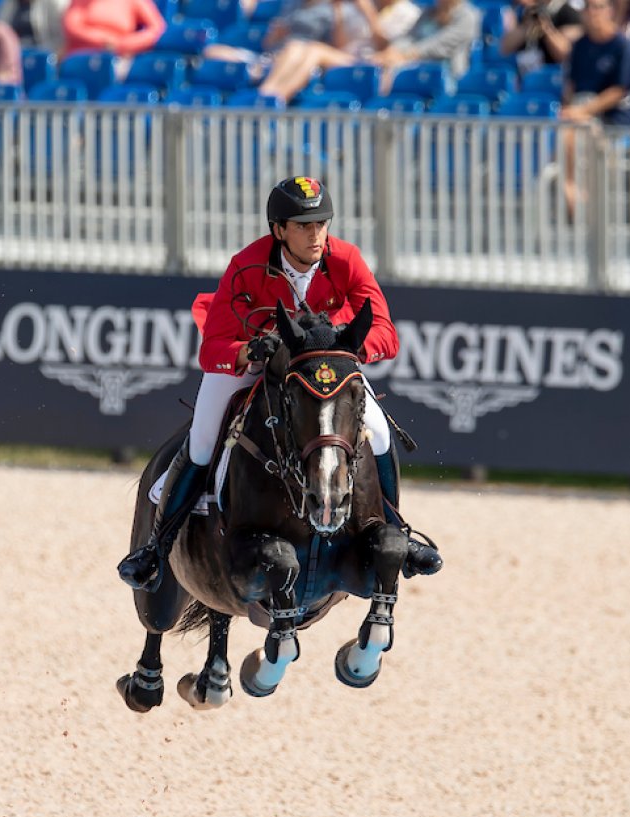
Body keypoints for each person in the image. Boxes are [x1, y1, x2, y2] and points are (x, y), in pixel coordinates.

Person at [117, 176, 442, 593]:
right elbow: (213, 346)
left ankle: (397, 527)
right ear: (279, 230)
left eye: (322, 224)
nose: (316, 234)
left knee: (377, 432)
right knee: (201, 441)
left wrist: (338, 346)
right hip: (256, 366)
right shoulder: (247, 264)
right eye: (304, 226)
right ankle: (157, 550)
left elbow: (385, 333)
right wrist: (247, 350)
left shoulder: (346, 259)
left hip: (322, 371)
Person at [559, 0, 630, 215]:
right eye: (588, 7)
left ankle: (578, 192)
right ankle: (571, 189)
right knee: (565, 129)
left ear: (610, 11)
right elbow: (571, 86)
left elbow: (619, 90)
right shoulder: (580, 45)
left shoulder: (622, 46)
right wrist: (570, 108)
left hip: (612, 118)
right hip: (580, 112)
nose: (593, 13)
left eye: (599, 7)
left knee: (577, 131)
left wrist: (583, 111)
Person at [255, 0, 421, 102]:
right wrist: (338, 10)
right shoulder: (361, 6)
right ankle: (267, 94)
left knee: (314, 49)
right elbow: (341, 45)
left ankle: (276, 99)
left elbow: (385, 48)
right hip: (350, 56)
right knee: (296, 46)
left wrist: (367, 11)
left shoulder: (407, 12)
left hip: (371, 63)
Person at [370, 0, 482, 88]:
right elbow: (409, 37)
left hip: (447, 75)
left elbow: (439, 45)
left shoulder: (468, 16)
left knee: (394, 69)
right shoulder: (429, 13)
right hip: (414, 68)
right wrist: (391, 51)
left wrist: (405, 55)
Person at [497, 0, 583, 80]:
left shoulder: (567, 12)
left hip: (555, 78)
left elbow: (565, 54)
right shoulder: (527, 11)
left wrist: (546, 28)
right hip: (525, 75)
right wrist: (526, 26)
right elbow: (503, 48)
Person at [60, 0, 166, 60]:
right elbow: (71, 26)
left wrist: (123, 44)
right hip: (80, 56)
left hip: (119, 58)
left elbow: (157, 28)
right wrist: (103, 41)